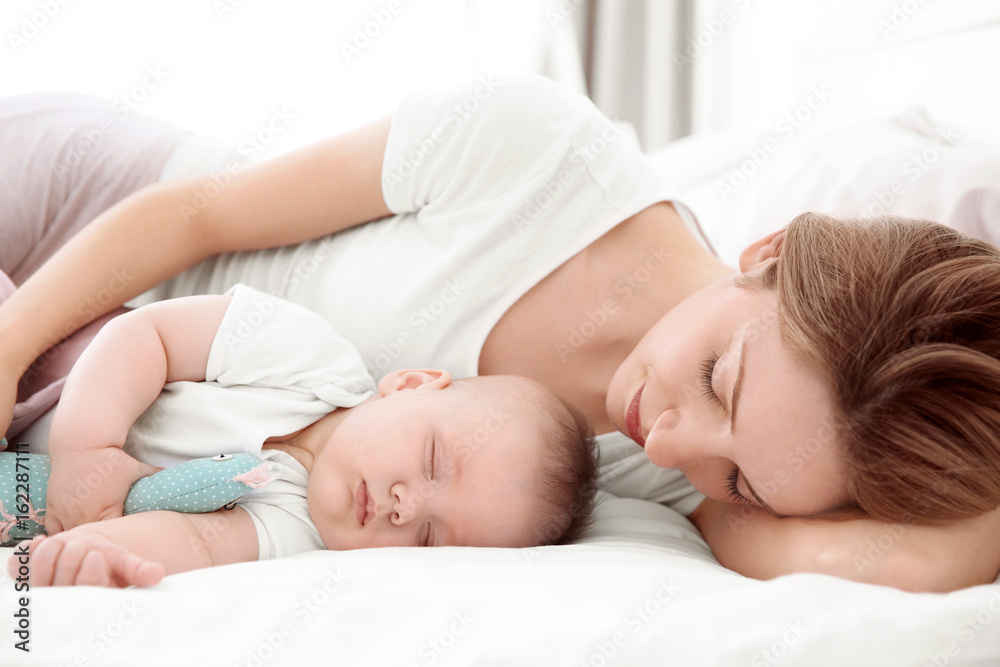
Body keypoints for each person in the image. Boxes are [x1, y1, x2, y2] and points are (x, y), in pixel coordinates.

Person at [1, 75, 998, 592]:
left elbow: (910, 570)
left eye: (740, 478)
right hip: (95, 218)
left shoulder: (655, 480)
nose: (677, 441)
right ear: (766, 250)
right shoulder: (542, 152)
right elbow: (195, 216)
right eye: (720, 380)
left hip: (81, 411)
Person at [6, 282, 598, 587]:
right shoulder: (310, 359)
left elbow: (195, 543)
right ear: (412, 383)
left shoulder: (297, 535)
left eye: (427, 538)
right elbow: (148, 336)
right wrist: (87, 451)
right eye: (434, 460)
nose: (404, 505)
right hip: (42, 364)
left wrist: (102, 553)